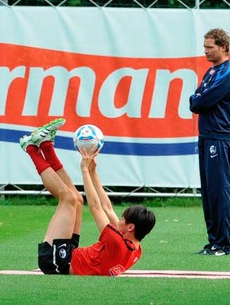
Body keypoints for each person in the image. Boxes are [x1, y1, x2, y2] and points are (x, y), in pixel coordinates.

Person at [19, 118, 156, 276]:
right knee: (77, 199)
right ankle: (46, 145)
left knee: (67, 198)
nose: (119, 220)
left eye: (123, 219)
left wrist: (84, 169)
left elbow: (96, 207)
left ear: (131, 227)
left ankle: (30, 147)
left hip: (56, 262)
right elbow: (107, 207)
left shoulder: (117, 243)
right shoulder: (135, 248)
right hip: (71, 255)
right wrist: (93, 173)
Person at [189, 28, 230, 256]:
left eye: (210, 47)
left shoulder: (228, 72)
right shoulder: (211, 72)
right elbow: (196, 99)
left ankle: (223, 244)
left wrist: (198, 98)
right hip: (207, 135)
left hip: (219, 137)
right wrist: (198, 98)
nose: (206, 51)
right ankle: (213, 241)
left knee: (219, 191)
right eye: (205, 47)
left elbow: (202, 100)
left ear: (223, 47)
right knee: (209, 192)